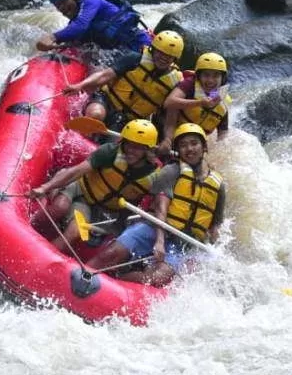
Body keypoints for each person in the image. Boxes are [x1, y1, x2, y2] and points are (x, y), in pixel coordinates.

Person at [87, 123, 227, 287]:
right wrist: (159, 241)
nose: (189, 149)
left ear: (204, 147)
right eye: (183, 145)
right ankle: (84, 274)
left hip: (181, 244)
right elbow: (161, 208)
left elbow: (215, 225)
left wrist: (211, 250)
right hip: (153, 228)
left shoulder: (218, 185)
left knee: (157, 278)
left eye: (194, 143)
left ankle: (115, 282)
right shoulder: (172, 171)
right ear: (178, 151)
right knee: (112, 253)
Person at [29, 119, 161, 254]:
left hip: (103, 211)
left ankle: (41, 255)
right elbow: (76, 171)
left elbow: (152, 206)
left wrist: (120, 226)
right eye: (129, 145)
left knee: (75, 233)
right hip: (81, 191)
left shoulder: (155, 175)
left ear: (147, 150)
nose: (131, 151)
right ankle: (29, 228)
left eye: (138, 147)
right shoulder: (110, 152)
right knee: (59, 207)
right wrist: (45, 187)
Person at [63, 30, 185, 153]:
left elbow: (171, 116)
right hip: (107, 101)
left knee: (110, 148)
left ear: (175, 59)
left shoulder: (174, 82)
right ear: (153, 49)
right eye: (161, 52)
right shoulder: (134, 58)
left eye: (169, 56)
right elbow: (104, 76)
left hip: (129, 121)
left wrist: (168, 140)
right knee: (96, 115)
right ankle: (71, 146)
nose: (164, 58)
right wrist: (80, 86)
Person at [35, 0, 150, 54]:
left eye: (64, 1)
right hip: (123, 54)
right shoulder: (74, 25)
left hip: (140, 45)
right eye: (58, 5)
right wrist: (54, 46)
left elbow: (80, 26)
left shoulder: (91, 1)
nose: (62, 8)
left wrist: (51, 37)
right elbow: (75, 42)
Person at [164, 52, 231, 140]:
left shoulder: (222, 101)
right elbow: (169, 103)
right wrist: (200, 103)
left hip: (193, 142)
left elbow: (223, 134)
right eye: (206, 75)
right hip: (169, 130)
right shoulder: (189, 84)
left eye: (216, 76)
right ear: (199, 76)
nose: (210, 80)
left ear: (222, 79)